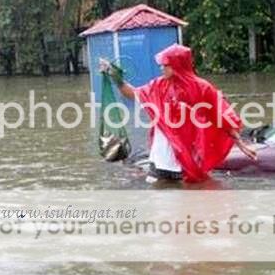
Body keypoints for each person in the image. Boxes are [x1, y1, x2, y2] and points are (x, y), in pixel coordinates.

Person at [101, 44, 256, 183]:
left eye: (165, 65)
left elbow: (220, 116)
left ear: (177, 65)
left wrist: (240, 143)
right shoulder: (159, 85)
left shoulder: (202, 88)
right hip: (160, 158)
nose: (161, 68)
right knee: (162, 203)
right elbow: (133, 93)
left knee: (189, 200)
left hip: (187, 158)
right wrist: (115, 77)